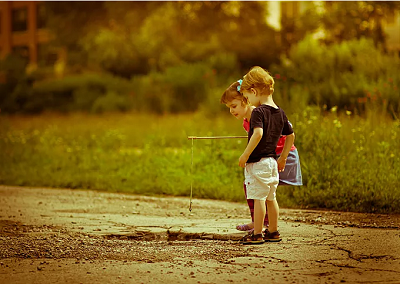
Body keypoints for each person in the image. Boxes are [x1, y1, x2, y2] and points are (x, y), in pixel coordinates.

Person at [221, 80, 302, 234]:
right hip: (269, 156)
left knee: (261, 192)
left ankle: (261, 226)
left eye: (234, 106)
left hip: (277, 153)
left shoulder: (257, 113)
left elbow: (265, 135)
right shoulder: (248, 119)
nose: (231, 111)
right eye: (229, 108)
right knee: (259, 190)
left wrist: (246, 155)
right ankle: (263, 224)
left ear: (247, 99)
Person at [238, 66, 295, 244]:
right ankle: (273, 231)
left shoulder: (258, 112)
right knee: (271, 199)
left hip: (258, 163)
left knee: (259, 199)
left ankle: (256, 234)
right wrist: (283, 157)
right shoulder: (280, 112)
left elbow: (258, 134)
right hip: (272, 162)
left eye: (247, 97)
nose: (249, 101)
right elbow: (291, 135)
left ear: (254, 91)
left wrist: (245, 155)